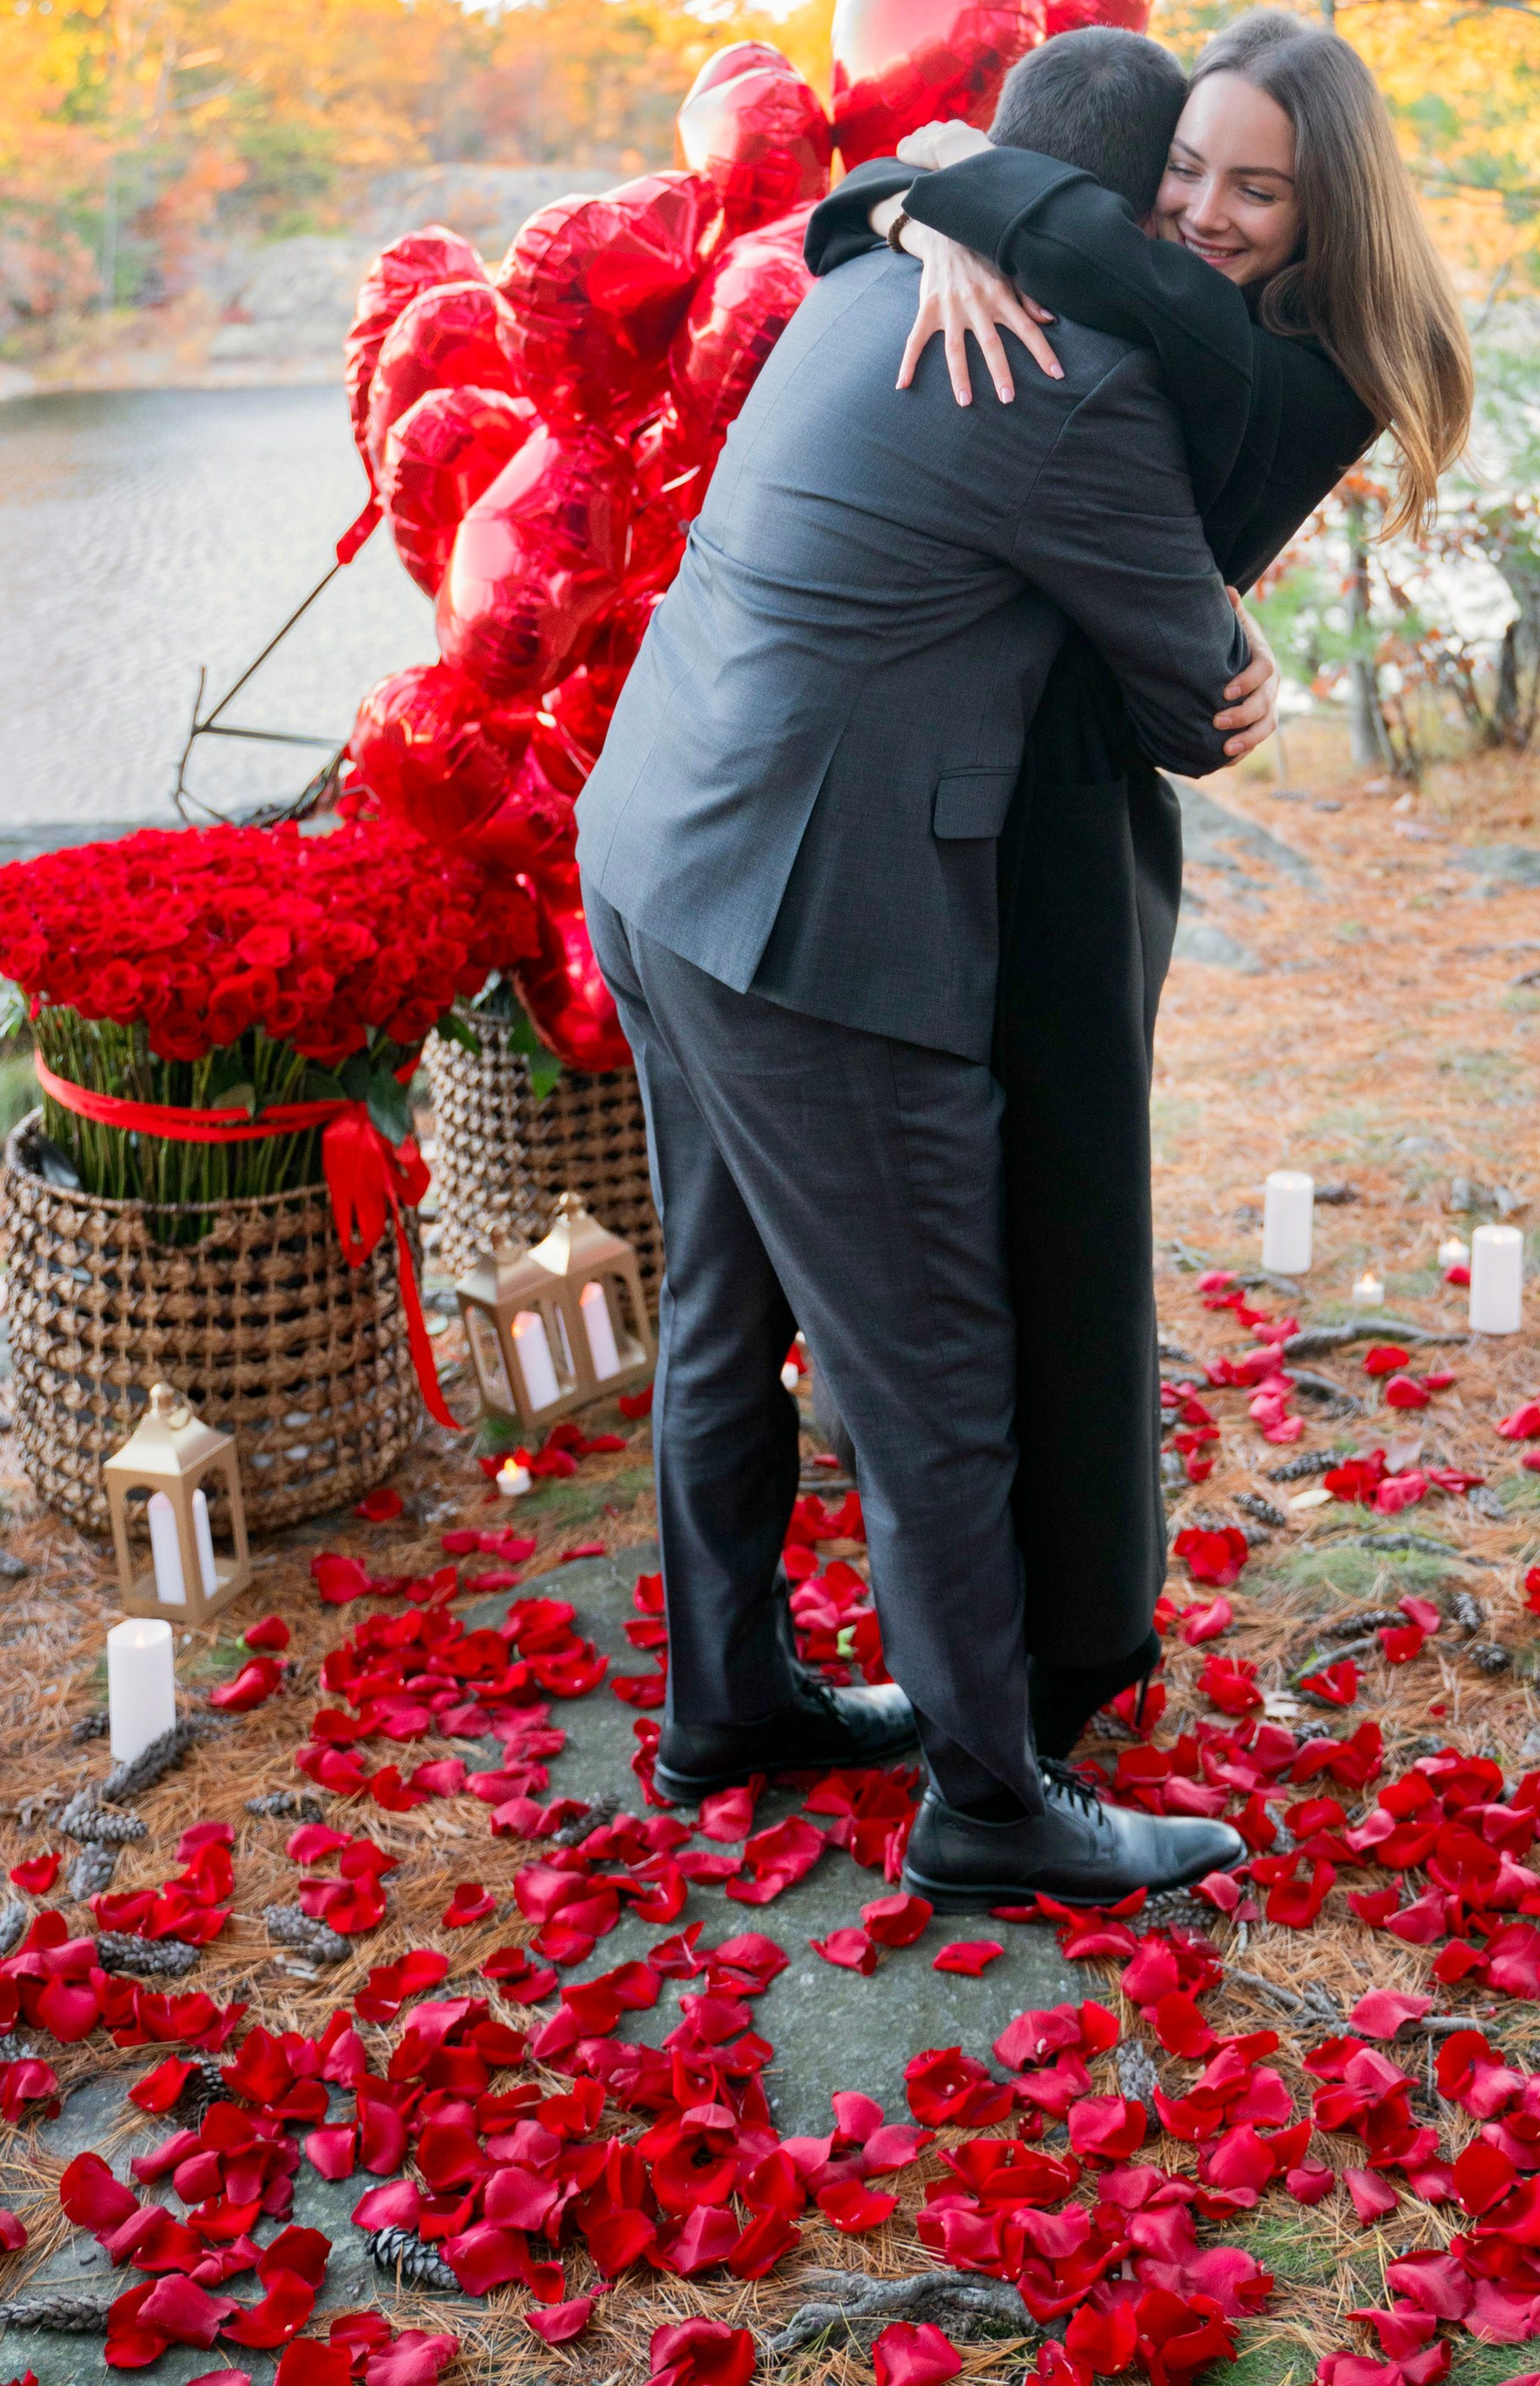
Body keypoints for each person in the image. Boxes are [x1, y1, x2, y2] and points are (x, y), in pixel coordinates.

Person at [575, 200, 1272, 1909]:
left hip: (653, 841)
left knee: (722, 1315)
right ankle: (987, 1797)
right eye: (1181, 199)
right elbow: (1194, 700)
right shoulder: (1077, 379)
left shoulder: (873, 269)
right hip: (815, 925)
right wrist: (1248, 657)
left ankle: (728, 1698)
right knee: (936, 1373)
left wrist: (912, 195)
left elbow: (901, 178)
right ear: (1110, 219)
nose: (1199, 234)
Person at [808, 8, 1473, 1759]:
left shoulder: (1290, 359)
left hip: (1080, 817)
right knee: (987, 1216)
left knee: (1070, 1226)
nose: (1205, 210)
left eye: (1258, 187)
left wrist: (945, 183)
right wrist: (923, 208)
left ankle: (1076, 1648)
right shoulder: (1185, 299)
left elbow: (1090, 256)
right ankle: (1002, 1621)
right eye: (1185, 164)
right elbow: (916, 227)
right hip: (1004, 788)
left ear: (1329, 212)